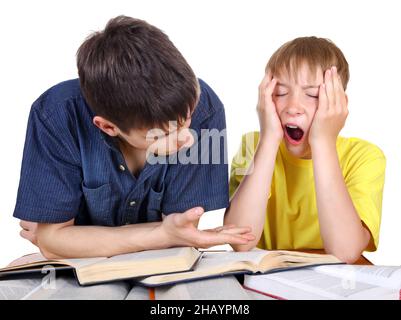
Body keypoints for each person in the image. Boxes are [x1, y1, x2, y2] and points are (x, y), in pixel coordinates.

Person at [14, 16, 254, 259]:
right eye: (165, 133)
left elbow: (182, 234)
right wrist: (163, 234)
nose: (188, 139)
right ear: (108, 127)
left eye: (187, 120)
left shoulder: (204, 107)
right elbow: (52, 244)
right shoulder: (55, 115)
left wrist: (72, 237)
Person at [225, 36, 386, 263]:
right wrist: (269, 138)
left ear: (338, 103)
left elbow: (346, 252)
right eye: (280, 93)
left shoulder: (365, 156)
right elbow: (240, 240)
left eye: (312, 95)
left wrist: (323, 142)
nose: (292, 107)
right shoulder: (253, 145)